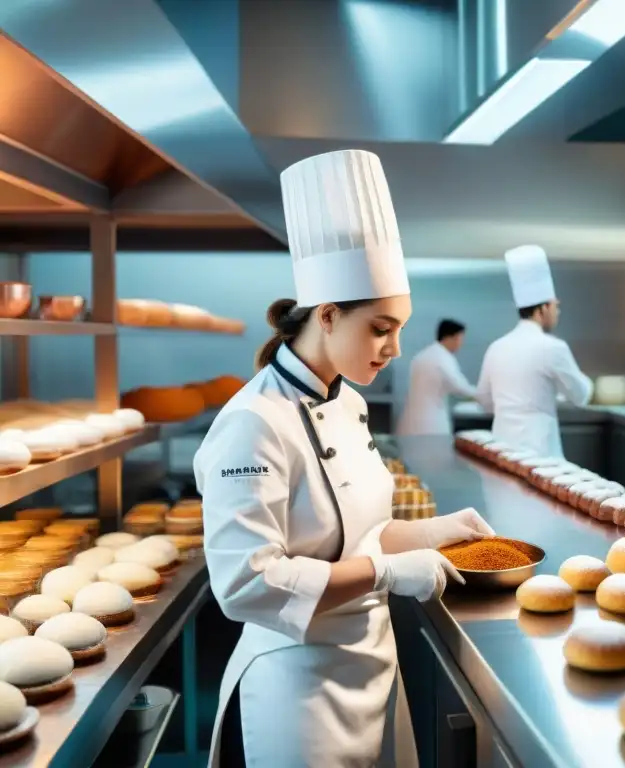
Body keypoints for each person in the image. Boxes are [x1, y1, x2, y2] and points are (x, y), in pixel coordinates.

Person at [193, 149, 494, 768]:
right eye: (381, 328)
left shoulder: (350, 404)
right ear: (328, 316)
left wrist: (434, 533)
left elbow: (359, 534)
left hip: (373, 663)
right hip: (296, 684)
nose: (395, 348)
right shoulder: (254, 423)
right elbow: (246, 583)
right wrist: (386, 573)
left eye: (401, 328)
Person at [477, 245, 593, 457]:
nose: (557, 312)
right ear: (542, 309)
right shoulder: (553, 348)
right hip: (540, 456)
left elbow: (484, 400)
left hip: (502, 452)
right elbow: (581, 395)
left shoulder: (496, 347)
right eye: (555, 306)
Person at [395, 319, 476, 436]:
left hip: (411, 421)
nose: (461, 343)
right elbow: (460, 388)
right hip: (430, 425)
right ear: (450, 337)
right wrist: (484, 395)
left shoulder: (423, 355)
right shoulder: (443, 358)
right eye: (460, 338)